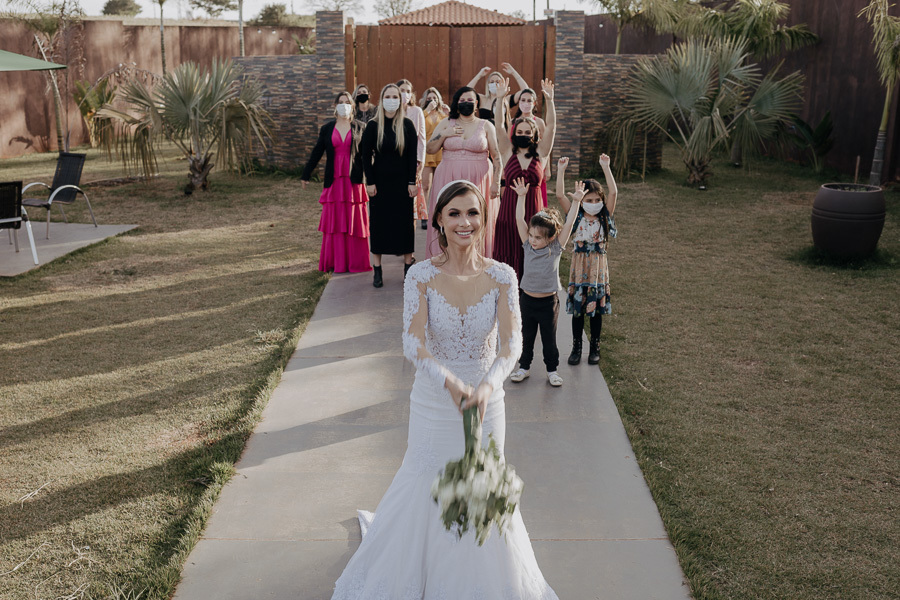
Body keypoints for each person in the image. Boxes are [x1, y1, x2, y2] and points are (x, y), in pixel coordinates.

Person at [330, 179, 559, 600]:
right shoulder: (420, 275)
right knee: (424, 482)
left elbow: (512, 346)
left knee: (481, 489)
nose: (464, 222)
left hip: (488, 404)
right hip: (435, 400)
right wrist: (449, 382)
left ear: (484, 218)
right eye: (454, 213)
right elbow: (413, 342)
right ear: (438, 219)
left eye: (472, 212)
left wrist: (488, 385)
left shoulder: (503, 276)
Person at [507, 176, 580, 387]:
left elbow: (568, 224)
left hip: (548, 304)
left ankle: (552, 370)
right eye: (531, 235)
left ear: (549, 238)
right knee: (526, 337)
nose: (532, 240)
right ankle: (524, 367)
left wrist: (575, 202)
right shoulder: (527, 246)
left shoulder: (555, 247)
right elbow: (519, 220)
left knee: (549, 339)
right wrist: (521, 197)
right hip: (527, 301)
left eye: (537, 238)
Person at [492, 77, 556, 281]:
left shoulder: (542, 152)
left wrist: (550, 101)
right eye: (520, 132)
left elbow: (552, 126)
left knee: (531, 255)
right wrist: (501, 98)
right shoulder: (507, 152)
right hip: (509, 212)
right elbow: (499, 124)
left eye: (528, 132)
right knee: (509, 258)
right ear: (514, 134)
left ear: (535, 134)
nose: (524, 134)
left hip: (534, 213)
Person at [557, 153, 618, 366]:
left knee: (595, 312)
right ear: (581, 201)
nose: (593, 204)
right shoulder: (576, 215)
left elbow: (614, 192)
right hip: (579, 268)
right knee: (578, 311)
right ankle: (577, 347)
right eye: (588, 200)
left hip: (597, 270)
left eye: (596, 200)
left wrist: (605, 167)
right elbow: (560, 196)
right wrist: (561, 171)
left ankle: (595, 347)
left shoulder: (604, 216)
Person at [425, 87, 501, 259]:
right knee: (449, 217)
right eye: (462, 100)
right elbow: (430, 149)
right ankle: (445, 260)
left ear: (476, 104)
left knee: (476, 219)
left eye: (470, 100)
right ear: (457, 103)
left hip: (480, 180)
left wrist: (496, 182)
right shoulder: (446, 123)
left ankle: (478, 261)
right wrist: (445, 134)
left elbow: (496, 156)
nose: (466, 103)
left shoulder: (486, 125)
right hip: (448, 178)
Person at [301, 91, 370, 274]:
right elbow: (317, 152)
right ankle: (336, 262)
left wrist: (372, 179)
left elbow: (366, 157)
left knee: (353, 222)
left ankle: (356, 262)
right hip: (334, 181)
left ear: (352, 106)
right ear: (335, 106)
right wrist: (306, 174)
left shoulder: (361, 127)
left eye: (347, 102)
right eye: (340, 102)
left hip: (354, 182)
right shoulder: (327, 129)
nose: (343, 105)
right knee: (336, 222)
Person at [359, 83, 418, 288]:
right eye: (388, 96)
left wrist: (412, 182)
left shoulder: (408, 125)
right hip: (380, 184)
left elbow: (412, 157)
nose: (392, 100)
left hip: (403, 184)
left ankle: (408, 267)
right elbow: (365, 156)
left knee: (404, 225)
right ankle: (377, 269)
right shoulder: (374, 126)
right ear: (382, 99)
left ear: (401, 100)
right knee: (378, 224)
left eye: (395, 96)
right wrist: (370, 182)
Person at [397, 79, 427, 232]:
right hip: (394, 163)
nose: (405, 94)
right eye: (402, 90)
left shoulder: (416, 111)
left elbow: (421, 137)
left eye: (408, 91)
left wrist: (420, 162)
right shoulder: (389, 112)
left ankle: (410, 247)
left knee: (411, 206)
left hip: (412, 162)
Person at [420, 87, 449, 230]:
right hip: (426, 151)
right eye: (429, 98)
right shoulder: (422, 113)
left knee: (440, 186)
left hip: (439, 151)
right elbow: (417, 125)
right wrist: (426, 110)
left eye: (434, 98)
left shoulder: (442, 115)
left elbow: (448, 127)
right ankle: (424, 215)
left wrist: (449, 114)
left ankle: (439, 214)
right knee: (426, 185)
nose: (432, 100)